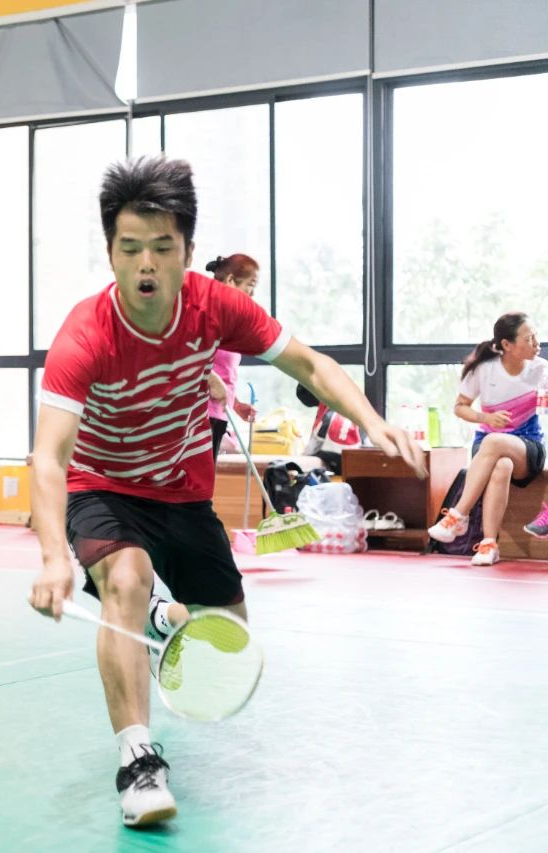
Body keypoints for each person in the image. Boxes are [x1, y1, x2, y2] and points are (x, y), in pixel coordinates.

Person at [28, 155, 424, 828]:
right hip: (105, 484)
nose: (146, 265)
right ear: (111, 252)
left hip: (182, 492)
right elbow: (48, 456)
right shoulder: (85, 334)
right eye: (130, 248)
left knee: (228, 637)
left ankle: (159, 617)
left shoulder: (215, 307)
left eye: (163, 247)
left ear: (187, 253)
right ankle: (137, 761)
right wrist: (50, 557)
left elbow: (310, 364)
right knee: (125, 577)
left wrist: (372, 420)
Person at [427, 313, 546, 564]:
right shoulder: (485, 370)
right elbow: (460, 407)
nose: (537, 343)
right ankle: (489, 545)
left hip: (528, 446)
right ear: (507, 345)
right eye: (529, 338)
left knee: (494, 442)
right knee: (501, 464)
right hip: (488, 448)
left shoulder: (541, 370)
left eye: (535, 336)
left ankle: (458, 515)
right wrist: (485, 418)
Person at [204, 254, 260, 456]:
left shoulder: (229, 322)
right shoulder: (207, 316)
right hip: (199, 416)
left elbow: (221, 372)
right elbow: (183, 355)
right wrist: (212, 379)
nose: (252, 293)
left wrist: (235, 404)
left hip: (218, 414)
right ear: (230, 281)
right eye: (250, 285)